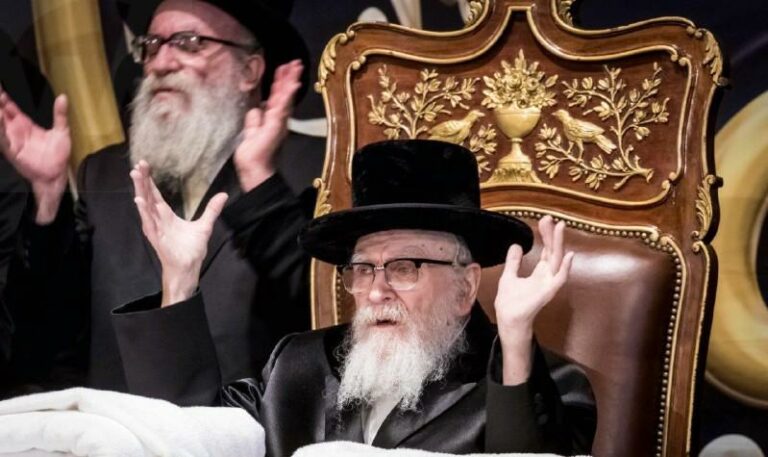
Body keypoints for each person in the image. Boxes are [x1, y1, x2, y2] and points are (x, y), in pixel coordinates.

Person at [117, 139, 597, 455]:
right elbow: (186, 436)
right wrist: (179, 279)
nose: (376, 290)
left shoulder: (545, 384)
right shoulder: (299, 366)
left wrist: (514, 339)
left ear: (465, 287)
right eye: (363, 269)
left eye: (404, 268)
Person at [0, 0, 312, 399]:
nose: (161, 63)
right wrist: (47, 197)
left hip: (246, 427)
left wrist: (259, 182)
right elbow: (45, 336)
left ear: (249, 71)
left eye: (189, 42)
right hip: (116, 428)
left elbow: (331, 315)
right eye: (151, 45)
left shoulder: (313, 172)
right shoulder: (107, 174)